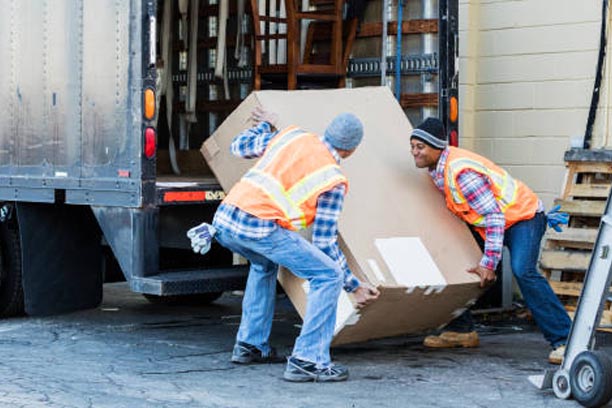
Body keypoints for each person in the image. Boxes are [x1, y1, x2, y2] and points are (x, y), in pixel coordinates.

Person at [188, 107, 380, 382]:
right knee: (328, 275)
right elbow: (324, 243)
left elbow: (238, 146)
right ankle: (308, 360)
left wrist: (264, 126)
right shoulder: (333, 178)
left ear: (327, 131)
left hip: (225, 220)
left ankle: (250, 345)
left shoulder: (291, 136)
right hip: (259, 227)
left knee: (263, 263)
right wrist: (354, 284)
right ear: (351, 149)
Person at [409, 117, 572, 365]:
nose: (414, 152)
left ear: (436, 147)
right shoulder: (436, 169)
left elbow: (495, 217)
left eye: (420, 147)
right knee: (457, 256)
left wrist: (489, 262)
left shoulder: (461, 173)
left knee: (523, 270)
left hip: (522, 218)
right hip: (492, 224)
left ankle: (566, 341)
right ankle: (461, 329)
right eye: (412, 146)